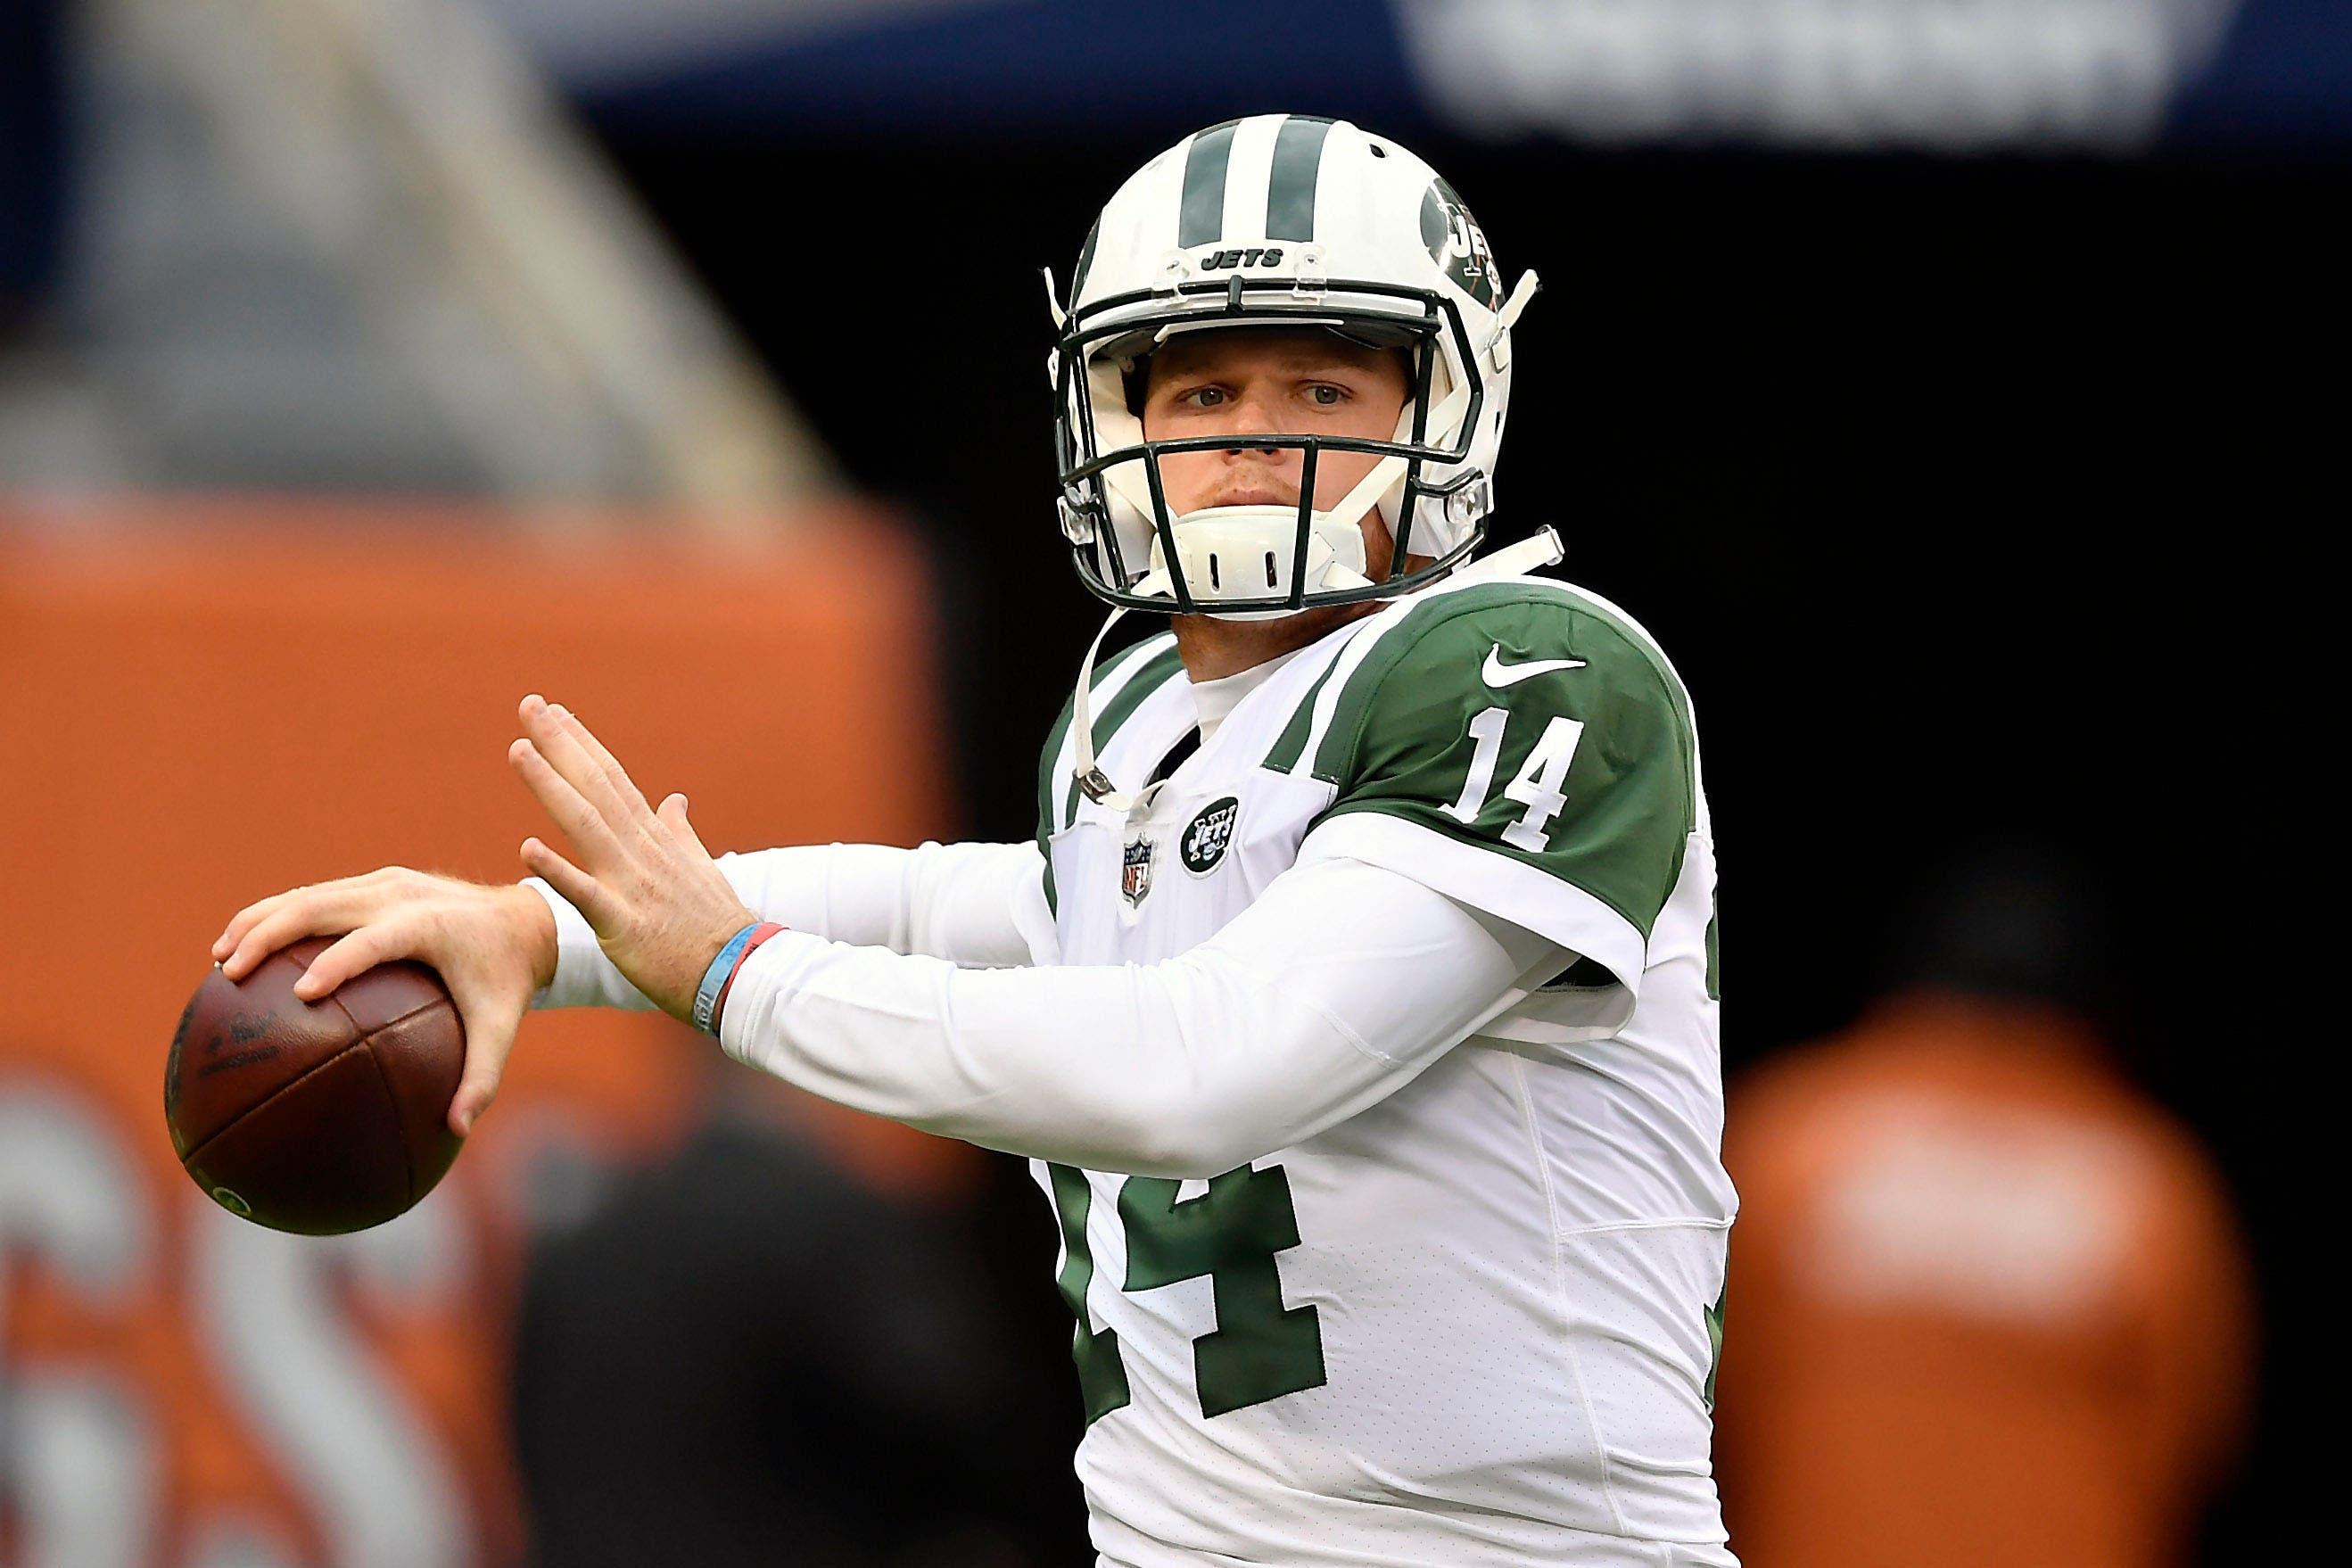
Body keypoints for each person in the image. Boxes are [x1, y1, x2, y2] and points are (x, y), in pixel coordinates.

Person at [214, 115, 1737, 1568]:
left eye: (1322, 391)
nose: (1252, 437)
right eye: (1199, 393)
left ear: (1446, 404)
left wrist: (738, 972)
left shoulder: (1531, 670)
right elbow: (996, 906)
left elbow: (1210, 1061)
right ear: (1110, 412)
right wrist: (542, 934)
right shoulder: (1142, 714)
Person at [1712, 852, 2252, 1568]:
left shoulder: (1789, 1138)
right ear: (2094, 1012)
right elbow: (2195, 1434)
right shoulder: (2146, 1182)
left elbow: (1691, 1395)